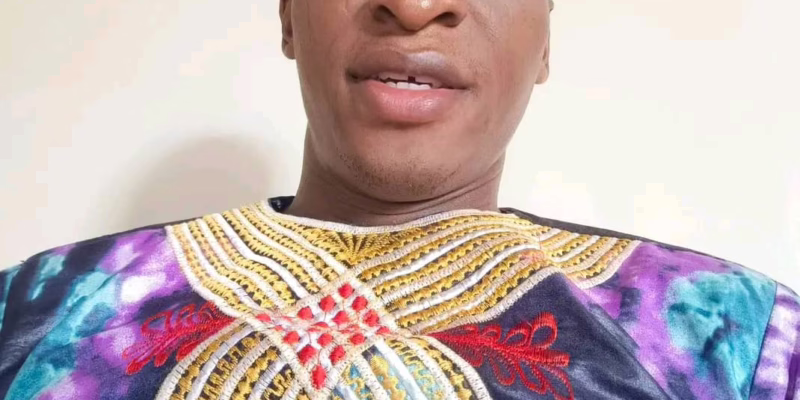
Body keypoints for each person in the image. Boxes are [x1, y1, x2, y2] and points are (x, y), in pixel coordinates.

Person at [0, 0, 796, 399]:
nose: (414, 5)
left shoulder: (740, 342)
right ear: (287, 14)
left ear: (546, 39)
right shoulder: (36, 312)